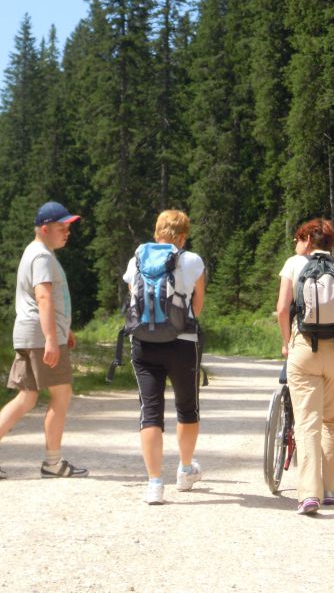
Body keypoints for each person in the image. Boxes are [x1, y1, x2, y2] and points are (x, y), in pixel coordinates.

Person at [0, 201, 89, 479]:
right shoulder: (43, 257)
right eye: (62, 227)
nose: (67, 232)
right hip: (40, 335)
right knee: (61, 394)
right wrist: (51, 338)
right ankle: (53, 462)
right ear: (45, 228)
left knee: (27, 396)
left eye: (68, 227)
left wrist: (64, 329)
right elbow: (43, 297)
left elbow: (45, 300)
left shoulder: (34, 252)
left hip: (29, 333)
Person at [275, 218, 334, 514]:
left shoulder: (294, 264)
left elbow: (282, 308)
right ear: (331, 241)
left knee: (307, 420)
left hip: (304, 349)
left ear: (309, 242)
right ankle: (332, 489)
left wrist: (287, 342)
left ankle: (308, 495)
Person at [122, 210, 206, 504]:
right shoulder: (192, 260)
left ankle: (155, 484)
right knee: (187, 408)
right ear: (183, 235)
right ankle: (184, 470)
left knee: (150, 411)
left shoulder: (136, 260)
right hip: (183, 342)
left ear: (156, 231)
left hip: (144, 342)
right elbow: (198, 304)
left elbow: (135, 299)